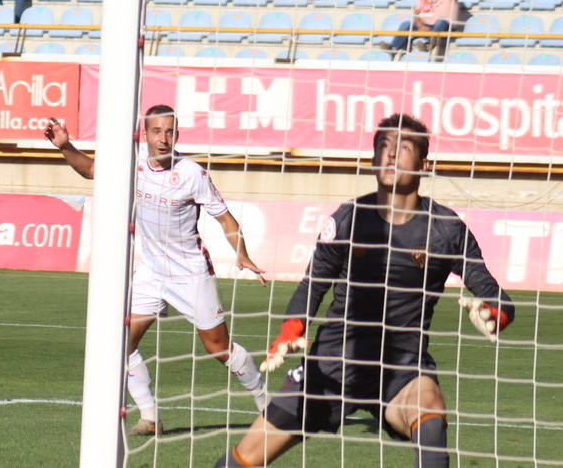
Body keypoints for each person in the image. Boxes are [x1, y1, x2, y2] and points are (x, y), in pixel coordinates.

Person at [216, 114, 514, 468]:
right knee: (245, 458)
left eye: (403, 148)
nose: (390, 155)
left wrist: (496, 315)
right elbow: (314, 285)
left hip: (402, 367)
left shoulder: (447, 229)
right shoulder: (348, 218)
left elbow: (496, 296)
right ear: (373, 161)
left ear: (424, 164)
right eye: (383, 148)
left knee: (430, 410)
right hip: (332, 364)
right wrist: (291, 329)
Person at [46, 107, 268, 436]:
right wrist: (65, 146)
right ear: (145, 134)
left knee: (218, 347)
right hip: (150, 271)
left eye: (169, 132)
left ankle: (268, 404)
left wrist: (242, 255)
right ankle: (150, 417)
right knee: (122, 342)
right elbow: (92, 170)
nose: (163, 139)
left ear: (177, 136)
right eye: (156, 131)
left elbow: (226, 219)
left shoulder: (193, 173)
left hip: (189, 272)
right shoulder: (130, 162)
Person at [381, 0, 457, 57]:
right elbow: (416, 11)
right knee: (406, 24)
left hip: (444, 26)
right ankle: (393, 48)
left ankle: (429, 45)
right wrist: (420, 25)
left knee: (441, 22)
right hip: (426, 26)